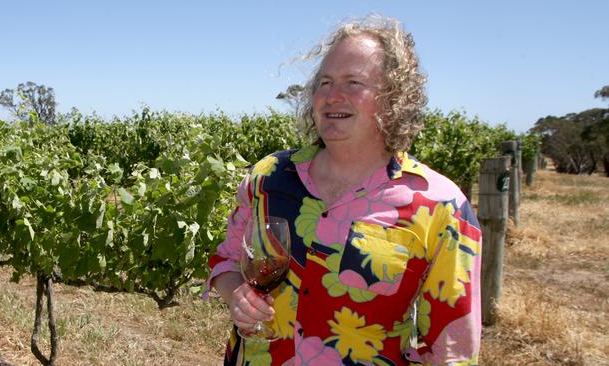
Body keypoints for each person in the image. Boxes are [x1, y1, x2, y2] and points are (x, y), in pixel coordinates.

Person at [204, 15, 482, 366]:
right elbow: (226, 258)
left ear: (394, 97)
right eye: (324, 82)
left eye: (353, 82)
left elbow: (451, 352)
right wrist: (236, 296)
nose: (332, 96)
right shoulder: (269, 176)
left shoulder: (441, 207)